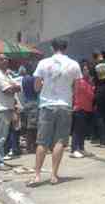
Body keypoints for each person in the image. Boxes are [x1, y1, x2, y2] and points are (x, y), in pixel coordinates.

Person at [29, 39, 82, 186]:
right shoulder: (74, 64)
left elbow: (37, 87)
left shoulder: (43, 63)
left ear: (52, 48)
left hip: (47, 105)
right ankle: (53, 175)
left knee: (42, 141)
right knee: (60, 141)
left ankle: (37, 175)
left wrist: (44, 86)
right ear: (66, 48)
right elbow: (77, 88)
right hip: (65, 106)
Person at [0, 54, 22, 171]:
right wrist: (14, 87)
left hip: (8, 108)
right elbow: (8, 90)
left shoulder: (6, 75)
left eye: (6, 59)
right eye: (2, 59)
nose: (5, 61)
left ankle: (0, 160)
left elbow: (19, 87)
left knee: (2, 137)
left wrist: (14, 87)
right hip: (1, 109)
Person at [70, 61, 94, 158]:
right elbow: (74, 93)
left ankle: (81, 148)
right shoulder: (78, 80)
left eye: (87, 69)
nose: (86, 71)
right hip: (79, 107)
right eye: (84, 69)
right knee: (77, 130)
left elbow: (91, 95)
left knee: (83, 130)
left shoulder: (89, 81)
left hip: (87, 108)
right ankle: (74, 149)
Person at [19, 65, 40, 154]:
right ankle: (31, 147)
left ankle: (29, 145)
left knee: (28, 126)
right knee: (33, 127)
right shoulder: (33, 79)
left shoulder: (23, 79)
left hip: (26, 102)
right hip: (34, 102)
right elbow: (36, 90)